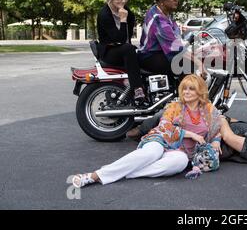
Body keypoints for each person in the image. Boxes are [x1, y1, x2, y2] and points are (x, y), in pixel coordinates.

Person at [72, 75, 223, 188]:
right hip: (161, 140)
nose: (186, 92)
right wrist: (191, 134)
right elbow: (165, 126)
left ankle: (124, 173)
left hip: (182, 152)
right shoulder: (175, 106)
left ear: (200, 91)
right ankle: (95, 175)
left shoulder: (209, 110)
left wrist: (216, 141)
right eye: (184, 88)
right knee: (151, 153)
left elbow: (216, 129)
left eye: (191, 89)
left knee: (180, 163)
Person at [126, 114, 247, 166]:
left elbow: (229, 137)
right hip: (217, 124)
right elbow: (241, 123)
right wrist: (227, 117)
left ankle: (140, 129)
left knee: (174, 112)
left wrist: (221, 119)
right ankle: (146, 127)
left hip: (212, 136)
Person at [138, 0, 205, 82]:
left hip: (160, 53)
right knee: (187, 65)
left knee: (191, 58)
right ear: (161, 1)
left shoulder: (166, 14)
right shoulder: (158, 18)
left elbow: (176, 38)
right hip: (149, 56)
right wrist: (199, 63)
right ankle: (187, 96)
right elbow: (175, 48)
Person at [97, 0, 146, 104]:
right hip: (109, 52)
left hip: (124, 50)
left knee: (141, 53)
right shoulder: (104, 14)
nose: (122, 1)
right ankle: (137, 89)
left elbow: (127, 38)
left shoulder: (129, 13)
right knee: (128, 48)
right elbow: (118, 39)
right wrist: (122, 19)